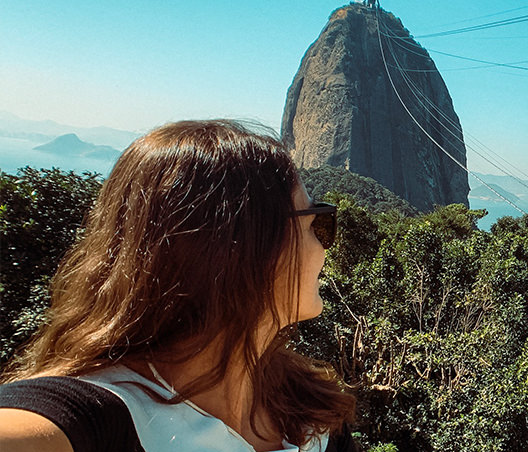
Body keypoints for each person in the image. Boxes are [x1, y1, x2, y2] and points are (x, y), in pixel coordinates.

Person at [0, 120, 357, 452]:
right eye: (317, 223)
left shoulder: (312, 409)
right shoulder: (98, 417)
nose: (326, 244)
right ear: (244, 247)